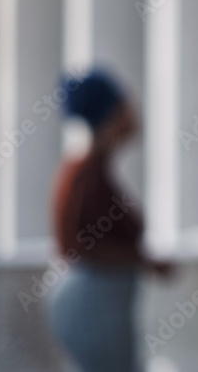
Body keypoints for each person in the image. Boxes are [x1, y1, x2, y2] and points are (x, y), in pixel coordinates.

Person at [46, 68, 171, 372]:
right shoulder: (84, 174)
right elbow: (75, 246)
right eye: (125, 104)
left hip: (102, 304)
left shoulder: (95, 170)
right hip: (91, 306)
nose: (134, 111)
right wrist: (142, 261)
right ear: (111, 116)